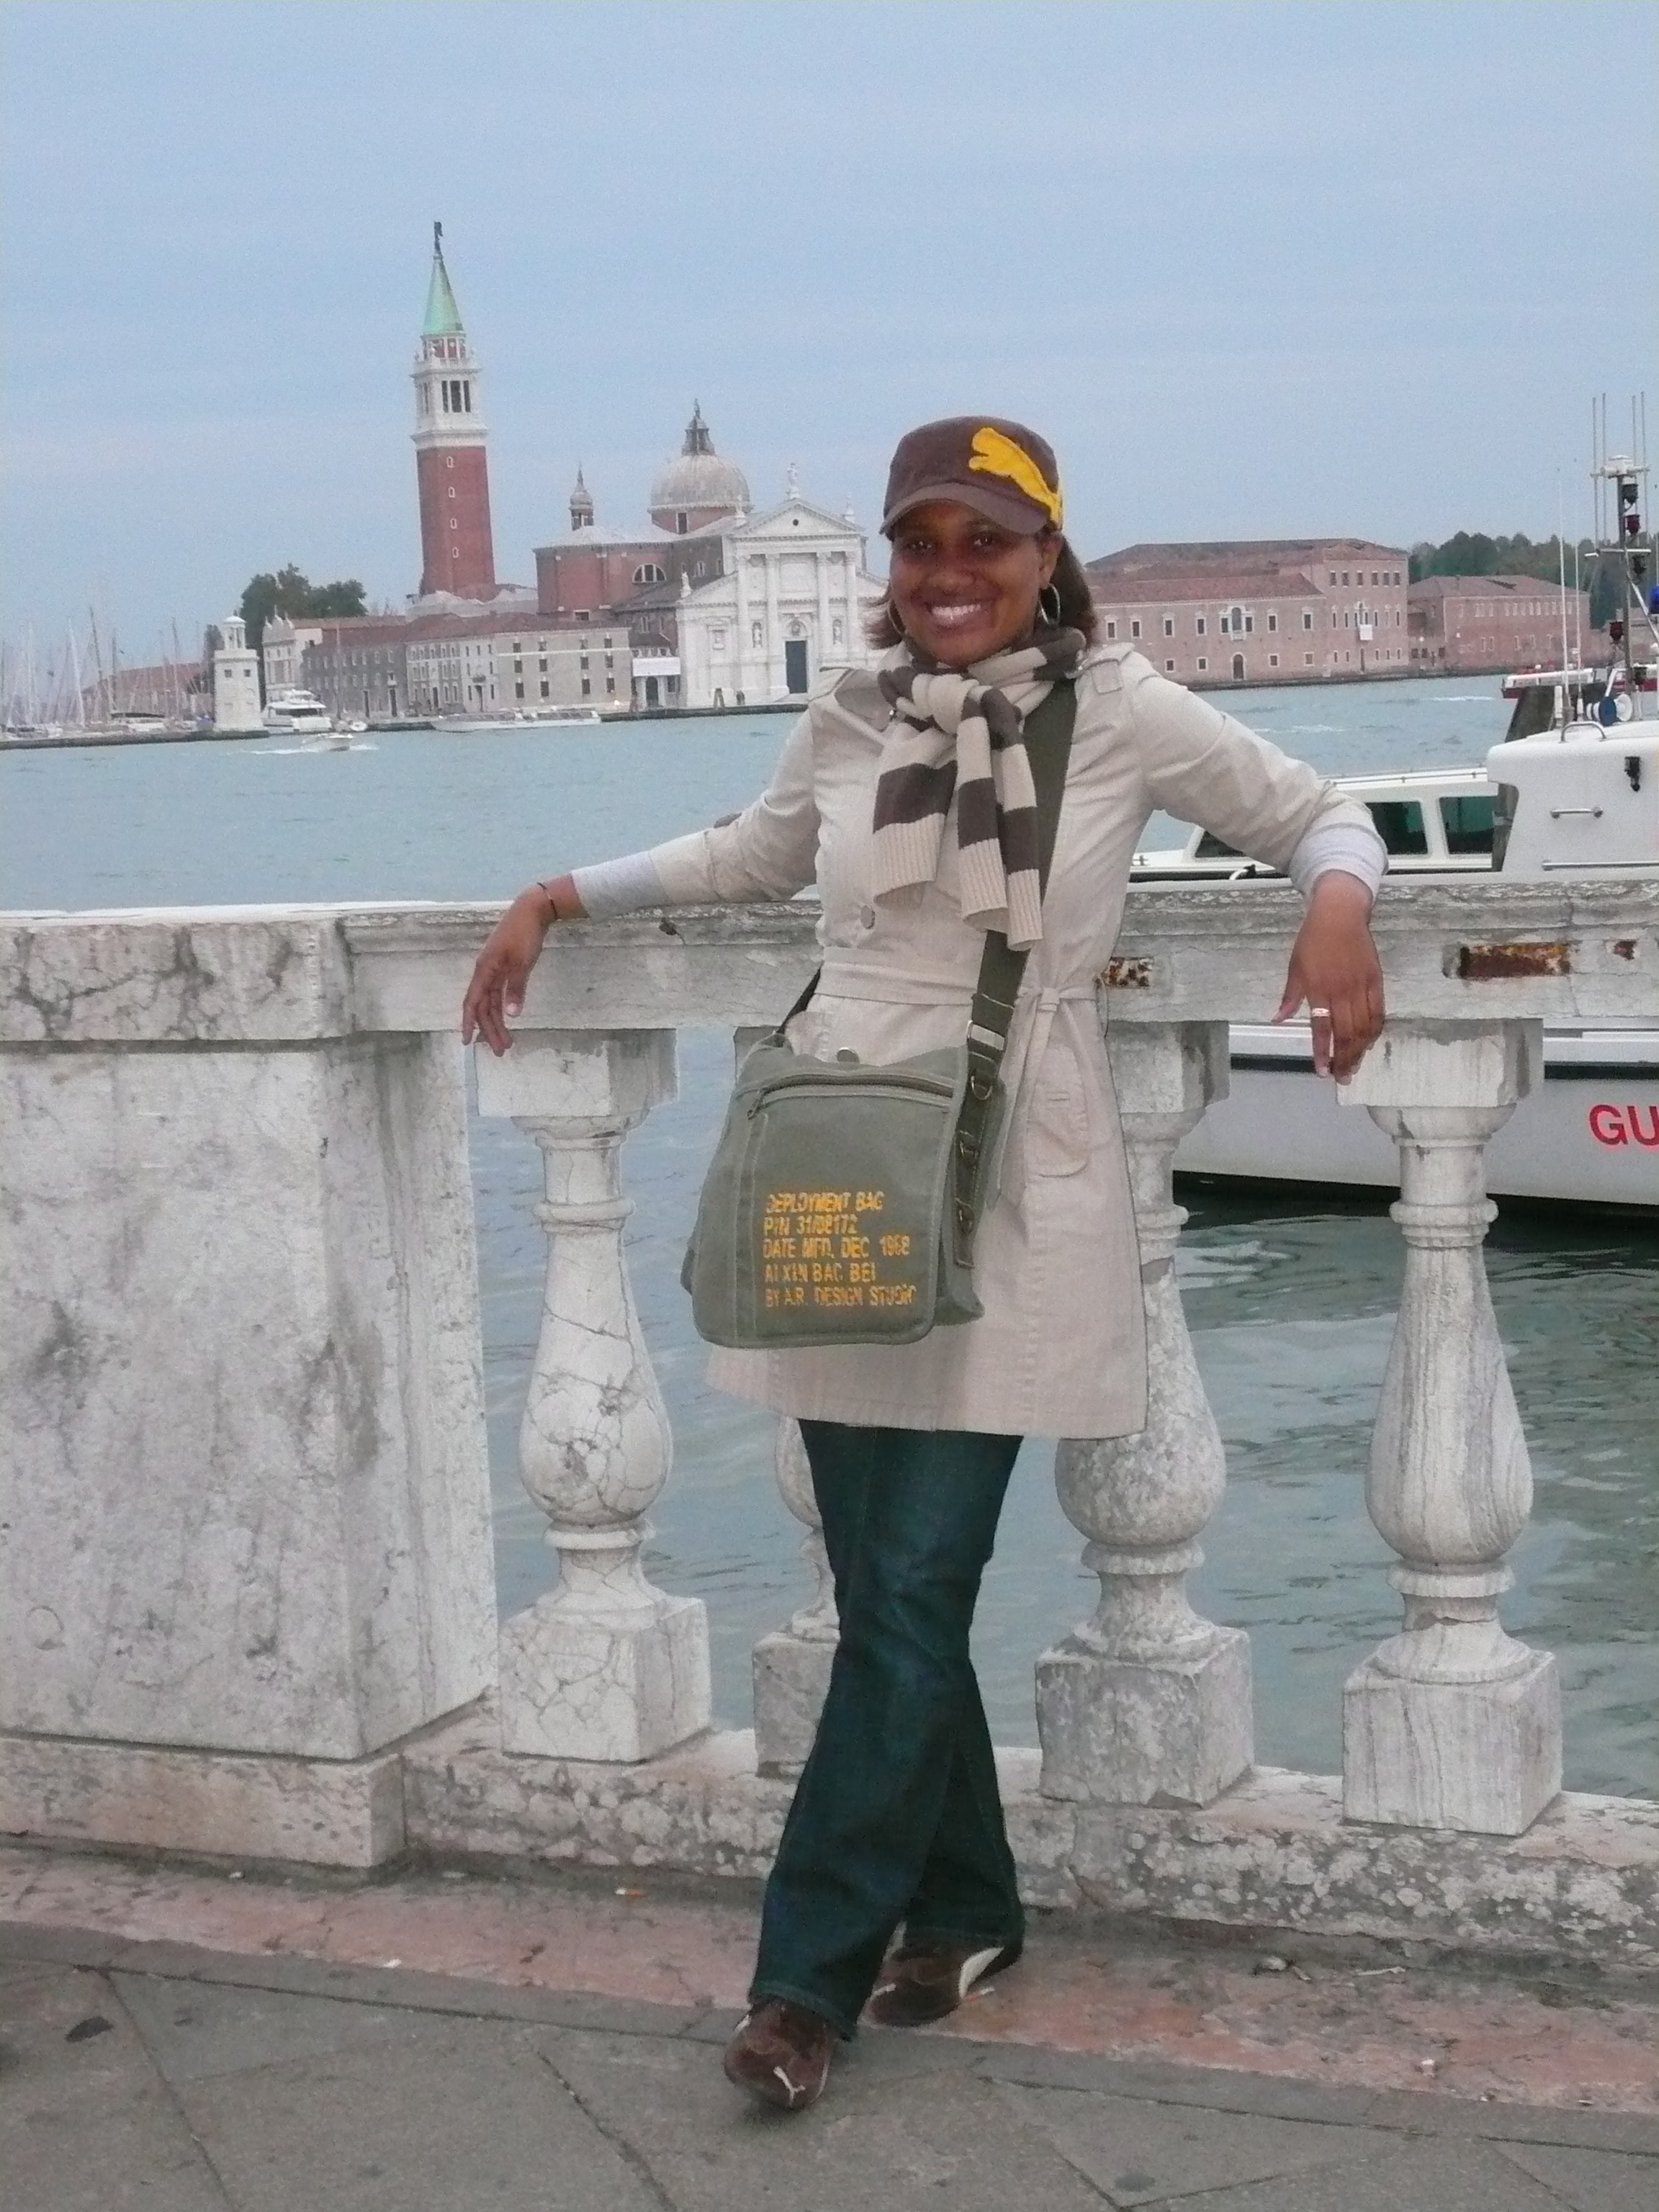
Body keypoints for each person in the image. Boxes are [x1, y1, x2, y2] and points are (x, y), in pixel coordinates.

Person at [462, 417, 1386, 2113]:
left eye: (987, 543)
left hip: (1018, 1174)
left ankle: (802, 1983)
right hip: (843, 1161)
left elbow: (1320, 811)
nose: (950, 576)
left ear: (1047, 557)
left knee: (910, 1586)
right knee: (893, 1590)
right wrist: (557, 892)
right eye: (921, 544)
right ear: (888, 564)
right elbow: (753, 855)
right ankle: (965, 1908)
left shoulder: (1119, 709)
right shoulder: (850, 709)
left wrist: (1337, 911)